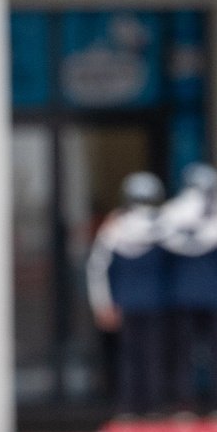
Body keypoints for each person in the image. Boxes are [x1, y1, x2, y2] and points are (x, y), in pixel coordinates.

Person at [160, 162, 217, 417]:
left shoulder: (172, 215)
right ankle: (214, 404)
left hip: (186, 296)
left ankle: (190, 404)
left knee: (189, 351)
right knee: (211, 352)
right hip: (209, 296)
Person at [86, 170, 174, 418]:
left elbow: (97, 269)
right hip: (155, 301)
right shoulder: (165, 227)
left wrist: (102, 304)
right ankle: (152, 407)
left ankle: (132, 408)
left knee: (131, 357)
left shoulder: (113, 230)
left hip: (127, 302)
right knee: (152, 354)